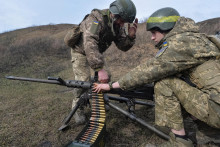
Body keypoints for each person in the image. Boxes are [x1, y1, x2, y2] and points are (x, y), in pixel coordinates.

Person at [94, 7, 220, 146]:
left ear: (165, 28)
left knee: (164, 83)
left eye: (154, 32)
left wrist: (111, 85)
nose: (152, 37)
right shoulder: (197, 39)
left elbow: (148, 71)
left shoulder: (179, 44)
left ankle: (180, 142)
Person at [64, 0, 138, 125]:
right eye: (121, 20)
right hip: (80, 52)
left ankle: (99, 101)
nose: (122, 24)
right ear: (114, 14)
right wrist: (99, 69)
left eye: (124, 22)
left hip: (95, 52)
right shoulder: (96, 19)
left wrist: (130, 36)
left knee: (106, 76)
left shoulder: (117, 26)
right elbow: (89, 42)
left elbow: (122, 46)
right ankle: (78, 107)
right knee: (83, 81)